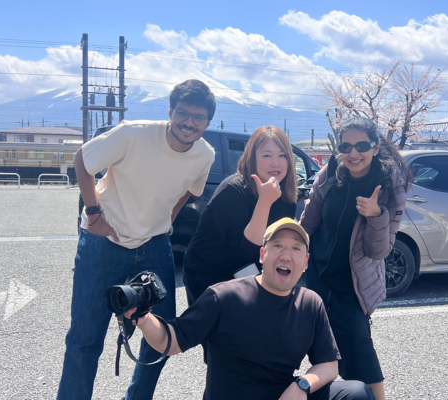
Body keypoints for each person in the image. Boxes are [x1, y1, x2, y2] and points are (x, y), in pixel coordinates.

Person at [57, 79, 217, 400]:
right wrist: (93, 215)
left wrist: (165, 222)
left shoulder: (205, 155)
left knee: (164, 337)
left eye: (198, 118)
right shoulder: (134, 133)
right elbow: (82, 161)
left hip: (154, 245)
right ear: (171, 112)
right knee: (85, 340)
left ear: (207, 122)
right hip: (103, 243)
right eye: (183, 114)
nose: (189, 123)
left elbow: (188, 192)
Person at [125, 218, 376, 400]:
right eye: (277, 246)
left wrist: (301, 386)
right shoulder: (224, 296)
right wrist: (145, 319)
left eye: (296, 248)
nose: (286, 255)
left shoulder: (310, 303)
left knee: (357, 393)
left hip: (283, 396)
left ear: (305, 262)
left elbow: (329, 366)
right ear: (262, 255)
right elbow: (171, 341)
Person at [300, 117, 412, 400]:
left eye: (361, 145)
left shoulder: (390, 186)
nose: (353, 153)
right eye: (346, 146)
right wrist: (290, 252)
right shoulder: (331, 172)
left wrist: (376, 215)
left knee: (359, 352)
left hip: (353, 286)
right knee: (317, 349)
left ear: (375, 147)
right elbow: (309, 221)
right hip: (316, 277)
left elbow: (379, 251)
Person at [183, 125, 297, 307]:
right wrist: (265, 202)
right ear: (252, 158)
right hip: (210, 274)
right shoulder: (233, 189)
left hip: (249, 274)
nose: (275, 163)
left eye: (282, 155)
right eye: (267, 155)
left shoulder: (286, 195)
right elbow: (245, 250)